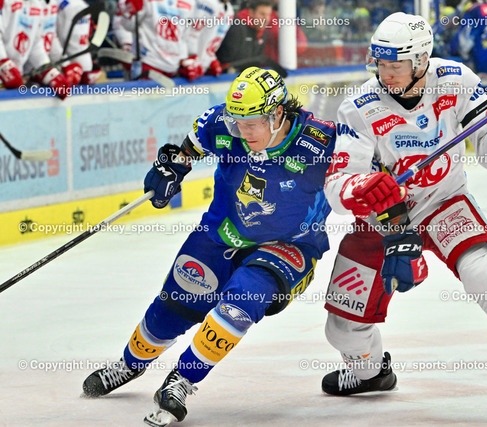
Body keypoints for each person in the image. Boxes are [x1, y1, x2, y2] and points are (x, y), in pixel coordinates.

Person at [320, 12, 487, 420]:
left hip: (444, 202)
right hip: (385, 218)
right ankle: (370, 373)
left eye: (396, 65)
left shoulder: (457, 81)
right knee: (341, 330)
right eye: (380, 63)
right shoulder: (359, 106)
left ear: (421, 60)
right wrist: (364, 188)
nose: (386, 73)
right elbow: (336, 188)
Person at [82, 67, 348, 426]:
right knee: (172, 310)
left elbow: (366, 172)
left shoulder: (322, 141)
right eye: (238, 124)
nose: (243, 133)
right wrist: (170, 168)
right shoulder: (223, 123)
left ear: (277, 113)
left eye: (252, 124)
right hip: (221, 233)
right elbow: (187, 150)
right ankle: (130, 364)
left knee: (241, 302)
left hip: (289, 245)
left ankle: (182, 380)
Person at [0, 0, 70, 98]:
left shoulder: (37, 4)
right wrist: (4, 64)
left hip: (14, 79)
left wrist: (48, 72)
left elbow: (35, 43)